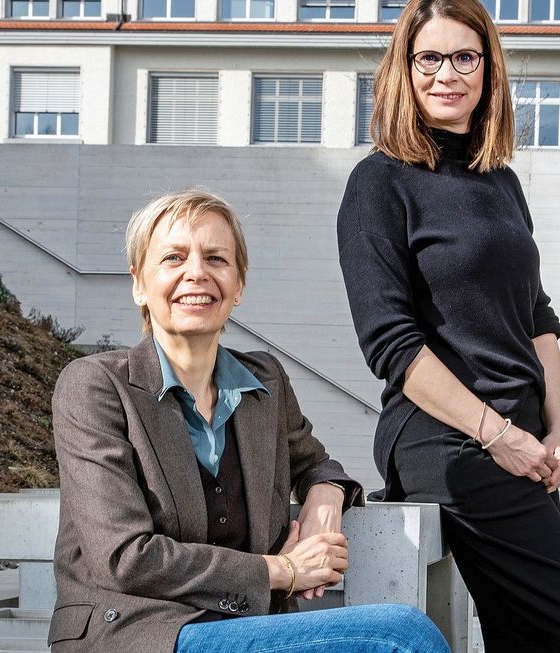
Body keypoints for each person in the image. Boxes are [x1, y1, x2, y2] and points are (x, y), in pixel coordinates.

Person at [336, 0, 560, 650]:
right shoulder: (380, 184)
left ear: (488, 69)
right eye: (430, 58)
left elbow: (538, 316)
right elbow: (391, 344)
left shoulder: (499, 180)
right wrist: (497, 434)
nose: (448, 73)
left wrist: (558, 430)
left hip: (520, 446)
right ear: (404, 71)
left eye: (465, 56)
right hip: (451, 445)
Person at [50, 190, 450, 653]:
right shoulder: (95, 387)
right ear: (139, 283)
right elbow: (123, 558)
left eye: (216, 258)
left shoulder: (265, 381)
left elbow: (316, 462)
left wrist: (327, 491)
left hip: (246, 629)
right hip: (138, 634)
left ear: (238, 285)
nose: (196, 272)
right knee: (400, 636)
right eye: (173, 257)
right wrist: (282, 571)